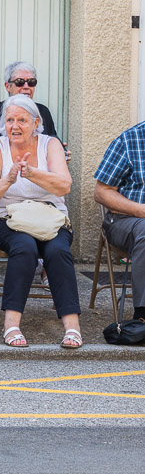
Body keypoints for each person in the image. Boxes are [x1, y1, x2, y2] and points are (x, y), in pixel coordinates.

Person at [0, 95, 79, 348]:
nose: (15, 126)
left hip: (49, 218)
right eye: (10, 120)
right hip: (5, 219)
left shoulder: (50, 144)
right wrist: (8, 179)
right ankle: (11, 325)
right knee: (24, 246)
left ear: (36, 122)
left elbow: (64, 186)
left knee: (57, 250)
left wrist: (31, 173)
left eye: (22, 120)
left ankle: (72, 327)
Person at [94, 119, 145, 324]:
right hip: (127, 219)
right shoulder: (130, 139)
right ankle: (143, 314)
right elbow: (102, 192)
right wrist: (141, 210)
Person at [0, 61, 61, 169]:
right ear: (7, 86)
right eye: (19, 82)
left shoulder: (43, 112)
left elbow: (51, 143)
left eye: (31, 82)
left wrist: (60, 155)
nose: (26, 86)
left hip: (40, 179)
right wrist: (11, 161)